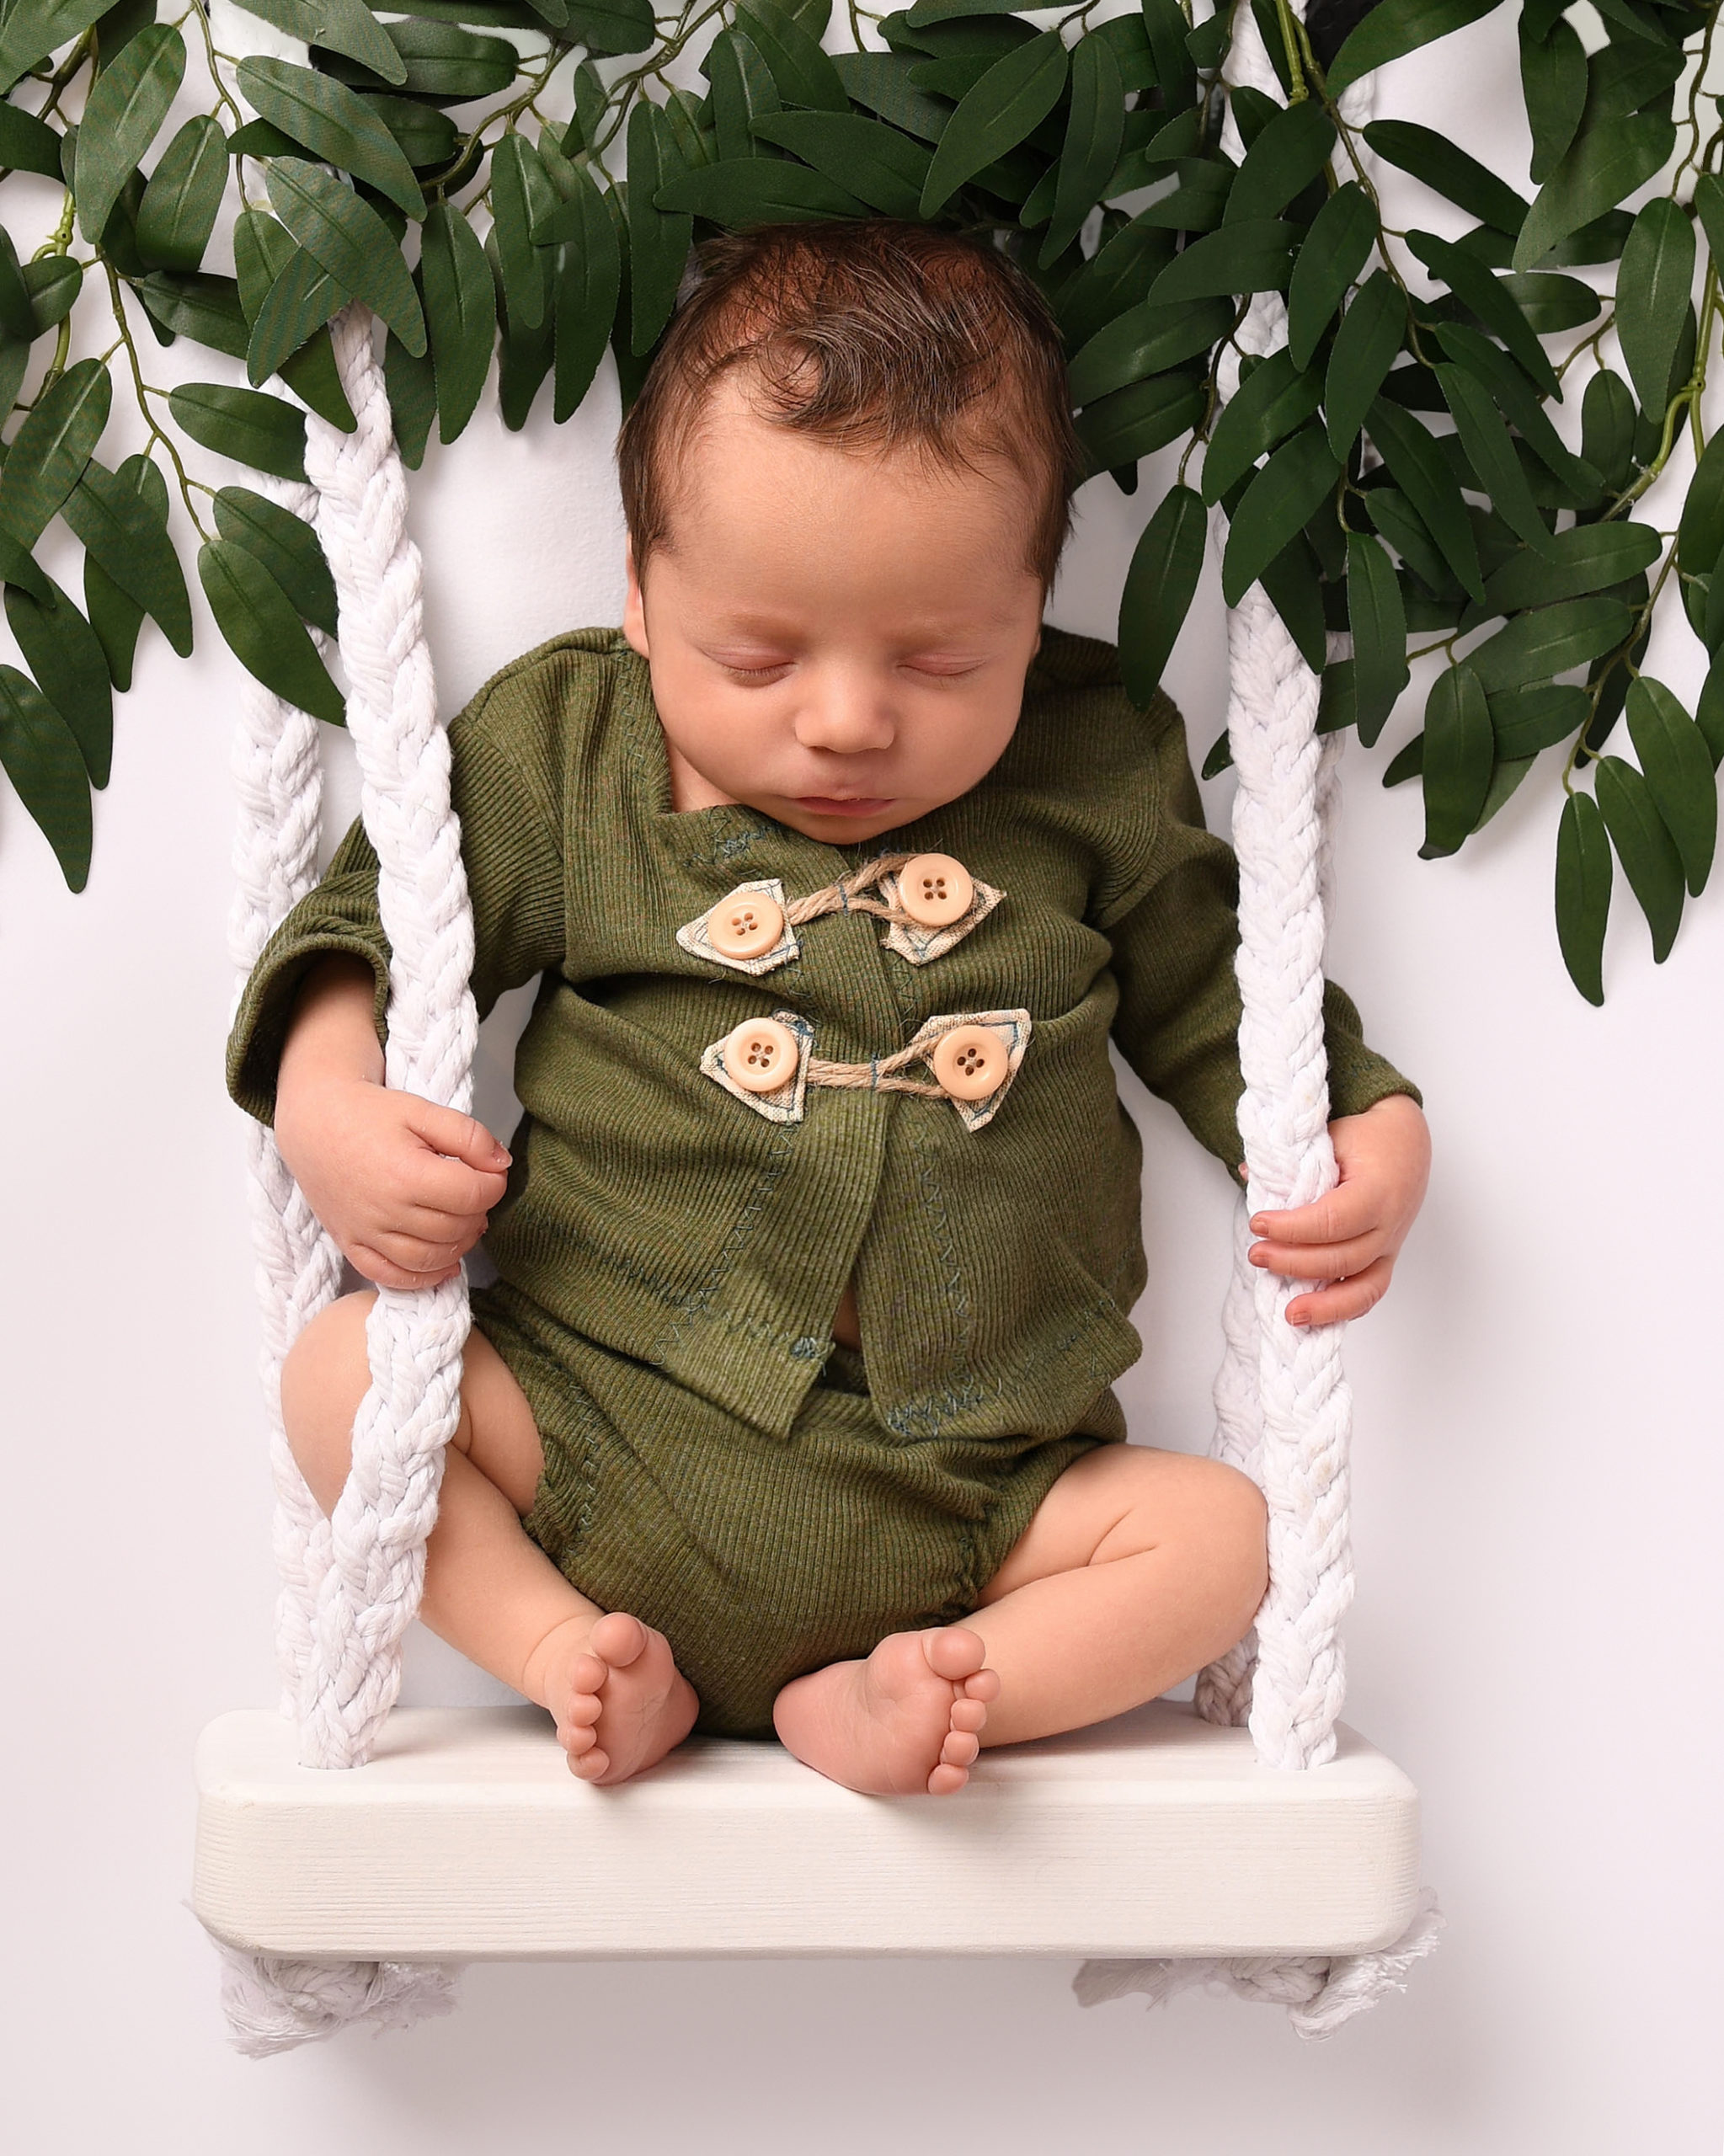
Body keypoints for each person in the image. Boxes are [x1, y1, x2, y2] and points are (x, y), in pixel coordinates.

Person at [227, 220, 1430, 1800]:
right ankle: (565, 1650)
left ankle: (930, 1691)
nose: (850, 720)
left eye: (941, 661)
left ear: (1033, 611)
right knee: (342, 1377)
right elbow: (372, 925)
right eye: (757, 657)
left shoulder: (1092, 763)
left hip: (980, 1487)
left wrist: (1369, 1125)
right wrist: (326, 1099)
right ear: (642, 595)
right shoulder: (573, 746)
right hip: (606, 1416)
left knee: (1224, 1541)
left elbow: (1227, 997)